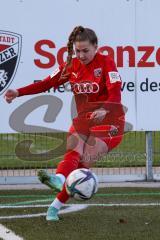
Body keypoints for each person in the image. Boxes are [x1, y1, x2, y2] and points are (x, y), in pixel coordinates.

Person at [4, 26, 125, 221]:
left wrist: (105, 109)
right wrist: (19, 92)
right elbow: (46, 83)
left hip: (111, 121)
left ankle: (55, 205)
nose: (81, 55)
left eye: (85, 50)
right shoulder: (72, 66)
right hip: (84, 119)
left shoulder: (106, 62)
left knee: (83, 164)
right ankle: (58, 179)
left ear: (96, 47)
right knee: (73, 151)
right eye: (77, 51)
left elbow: (115, 91)